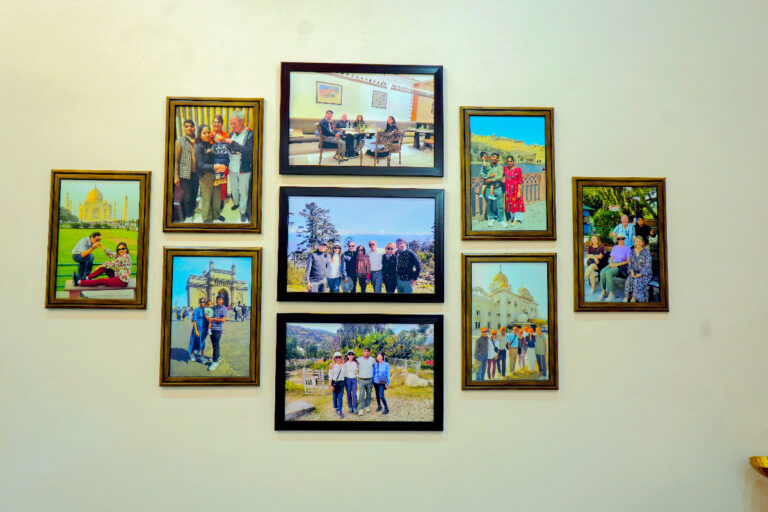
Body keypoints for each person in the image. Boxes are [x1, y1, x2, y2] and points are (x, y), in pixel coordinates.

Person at [223, 110, 254, 223]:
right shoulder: (232, 134)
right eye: (231, 123)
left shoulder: (250, 134)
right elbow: (233, 148)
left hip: (244, 169)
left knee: (244, 191)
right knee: (234, 188)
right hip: (232, 167)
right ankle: (236, 203)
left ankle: (243, 211)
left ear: (242, 121)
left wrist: (233, 144)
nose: (232, 126)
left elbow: (249, 151)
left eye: (234, 123)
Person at [194, 124, 223, 223]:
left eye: (208, 132)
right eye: (204, 133)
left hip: (215, 174)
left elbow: (216, 158)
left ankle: (216, 215)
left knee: (216, 197)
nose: (207, 134)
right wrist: (214, 166)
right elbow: (201, 165)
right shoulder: (199, 147)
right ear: (200, 135)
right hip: (205, 175)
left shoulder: (211, 145)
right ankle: (207, 220)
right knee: (207, 198)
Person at [174, 119, 197, 222]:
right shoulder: (179, 141)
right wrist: (176, 176)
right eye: (186, 126)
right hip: (184, 174)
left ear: (194, 128)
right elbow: (176, 160)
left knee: (194, 194)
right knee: (187, 196)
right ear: (183, 128)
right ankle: (188, 216)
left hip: (196, 174)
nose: (189, 128)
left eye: (191, 126)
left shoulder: (197, 141)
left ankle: (192, 209)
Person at [599, 234, 631, 302]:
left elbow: (627, 261)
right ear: (617, 240)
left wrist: (616, 264)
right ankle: (603, 291)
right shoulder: (615, 247)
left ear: (624, 239)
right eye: (619, 238)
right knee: (602, 272)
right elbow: (611, 257)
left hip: (620, 265)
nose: (620, 240)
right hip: (612, 263)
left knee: (608, 273)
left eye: (622, 238)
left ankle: (611, 294)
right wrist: (611, 263)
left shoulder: (627, 248)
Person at [624, 235, 652, 302]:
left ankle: (634, 298)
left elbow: (648, 264)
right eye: (637, 241)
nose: (638, 243)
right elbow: (630, 263)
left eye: (640, 241)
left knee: (637, 281)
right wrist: (632, 272)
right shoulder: (632, 251)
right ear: (634, 243)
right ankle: (627, 296)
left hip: (645, 274)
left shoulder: (646, 252)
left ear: (642, 243)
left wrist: (641, 274)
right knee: (629, 280)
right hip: (634, 272)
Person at [480, 153, 505, 227]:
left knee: (500, 205)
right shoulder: (486, 165)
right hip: (488, 188)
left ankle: (501, 220)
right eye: (493, 157)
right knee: (489, 204)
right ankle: (491, 218)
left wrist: (491, 180)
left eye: (496, 157)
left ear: (498, 159)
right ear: (490, 158)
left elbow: (500, 176)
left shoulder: (499, 167)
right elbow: (481, 174)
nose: (495, 158)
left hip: (498, 188)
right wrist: (488, 176)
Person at [210, 115, 229, 207]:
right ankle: (213, 200)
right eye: (214, 122)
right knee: (212, 182)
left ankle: (221, 200)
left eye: (218, 122)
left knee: (222, 183)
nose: (216, 124)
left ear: (222, 124)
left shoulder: (225, 136)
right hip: (211, 164)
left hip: (223, 164)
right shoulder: (209, 134)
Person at [207, 294, 227, 371]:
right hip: (212, 329)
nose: (218, 300)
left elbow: (223, 320)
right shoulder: (214, 308)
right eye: (217, 299)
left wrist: (213, 319)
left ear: (222, 301)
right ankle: (218, 357)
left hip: (218, 329)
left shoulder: (224, 308)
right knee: (215, 344)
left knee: (215, 345)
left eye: (219, 299)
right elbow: (209, 314)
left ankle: (215, 362)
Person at [503, 155, 525, 224]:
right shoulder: (505, 169)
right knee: (510, 203)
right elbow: (502, 177)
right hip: (508, 190)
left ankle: (516, 218)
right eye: (508, 161)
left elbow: (520, 181)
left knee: (516, 203)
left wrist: (519, 191)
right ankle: (512, 217)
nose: (509, 162)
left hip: (515, 189)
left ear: (513, 161)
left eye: (511, 161)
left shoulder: (518, 169)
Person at [356, 347, 375, 415]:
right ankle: (361, 409)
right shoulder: (359, 359)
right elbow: (351, 362)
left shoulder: (372, 360)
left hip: (370, 379)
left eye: (367, 351)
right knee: (361, 394)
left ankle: (367, 406)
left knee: (369, 394)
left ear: (369, 352)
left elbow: (376, 367)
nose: (366, 352)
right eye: (365, 351)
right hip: (361, 380)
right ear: (363, 352)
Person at [188, 297, 207, 363]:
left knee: (202, 342)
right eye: (201, 302)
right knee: (194, 341)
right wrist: (196, 330)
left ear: (205, 303)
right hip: (197, 329)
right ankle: (192, 354)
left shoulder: (206, 310)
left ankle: (202, 356)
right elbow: (194, 320)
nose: (202, 303)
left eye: (203, 302)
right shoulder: (196, 309)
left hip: (204, 330)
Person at [328, 352, 346, 418]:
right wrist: (330, 385)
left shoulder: (344, 365)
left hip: (341, 383)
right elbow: (330, 376)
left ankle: (340, 411)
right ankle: (335, 408)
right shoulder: (332, 366)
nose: (338, 358)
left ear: (341, 358)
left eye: (339, 357)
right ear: (334, 358)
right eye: (336, 357)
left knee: (340, 397)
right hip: (334, 383)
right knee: (335, 397)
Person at [343, 350, 359, 415]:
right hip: (347, 379)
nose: (351, 356)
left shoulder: (356, 363)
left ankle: (355, 407)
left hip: (354, 379)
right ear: (347, 356)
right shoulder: (345, 364)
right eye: (349, 354)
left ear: (354, 356)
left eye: (352, 354)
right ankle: (350, 407)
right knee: (349, 394)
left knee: (354, 394)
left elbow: (357, 371)